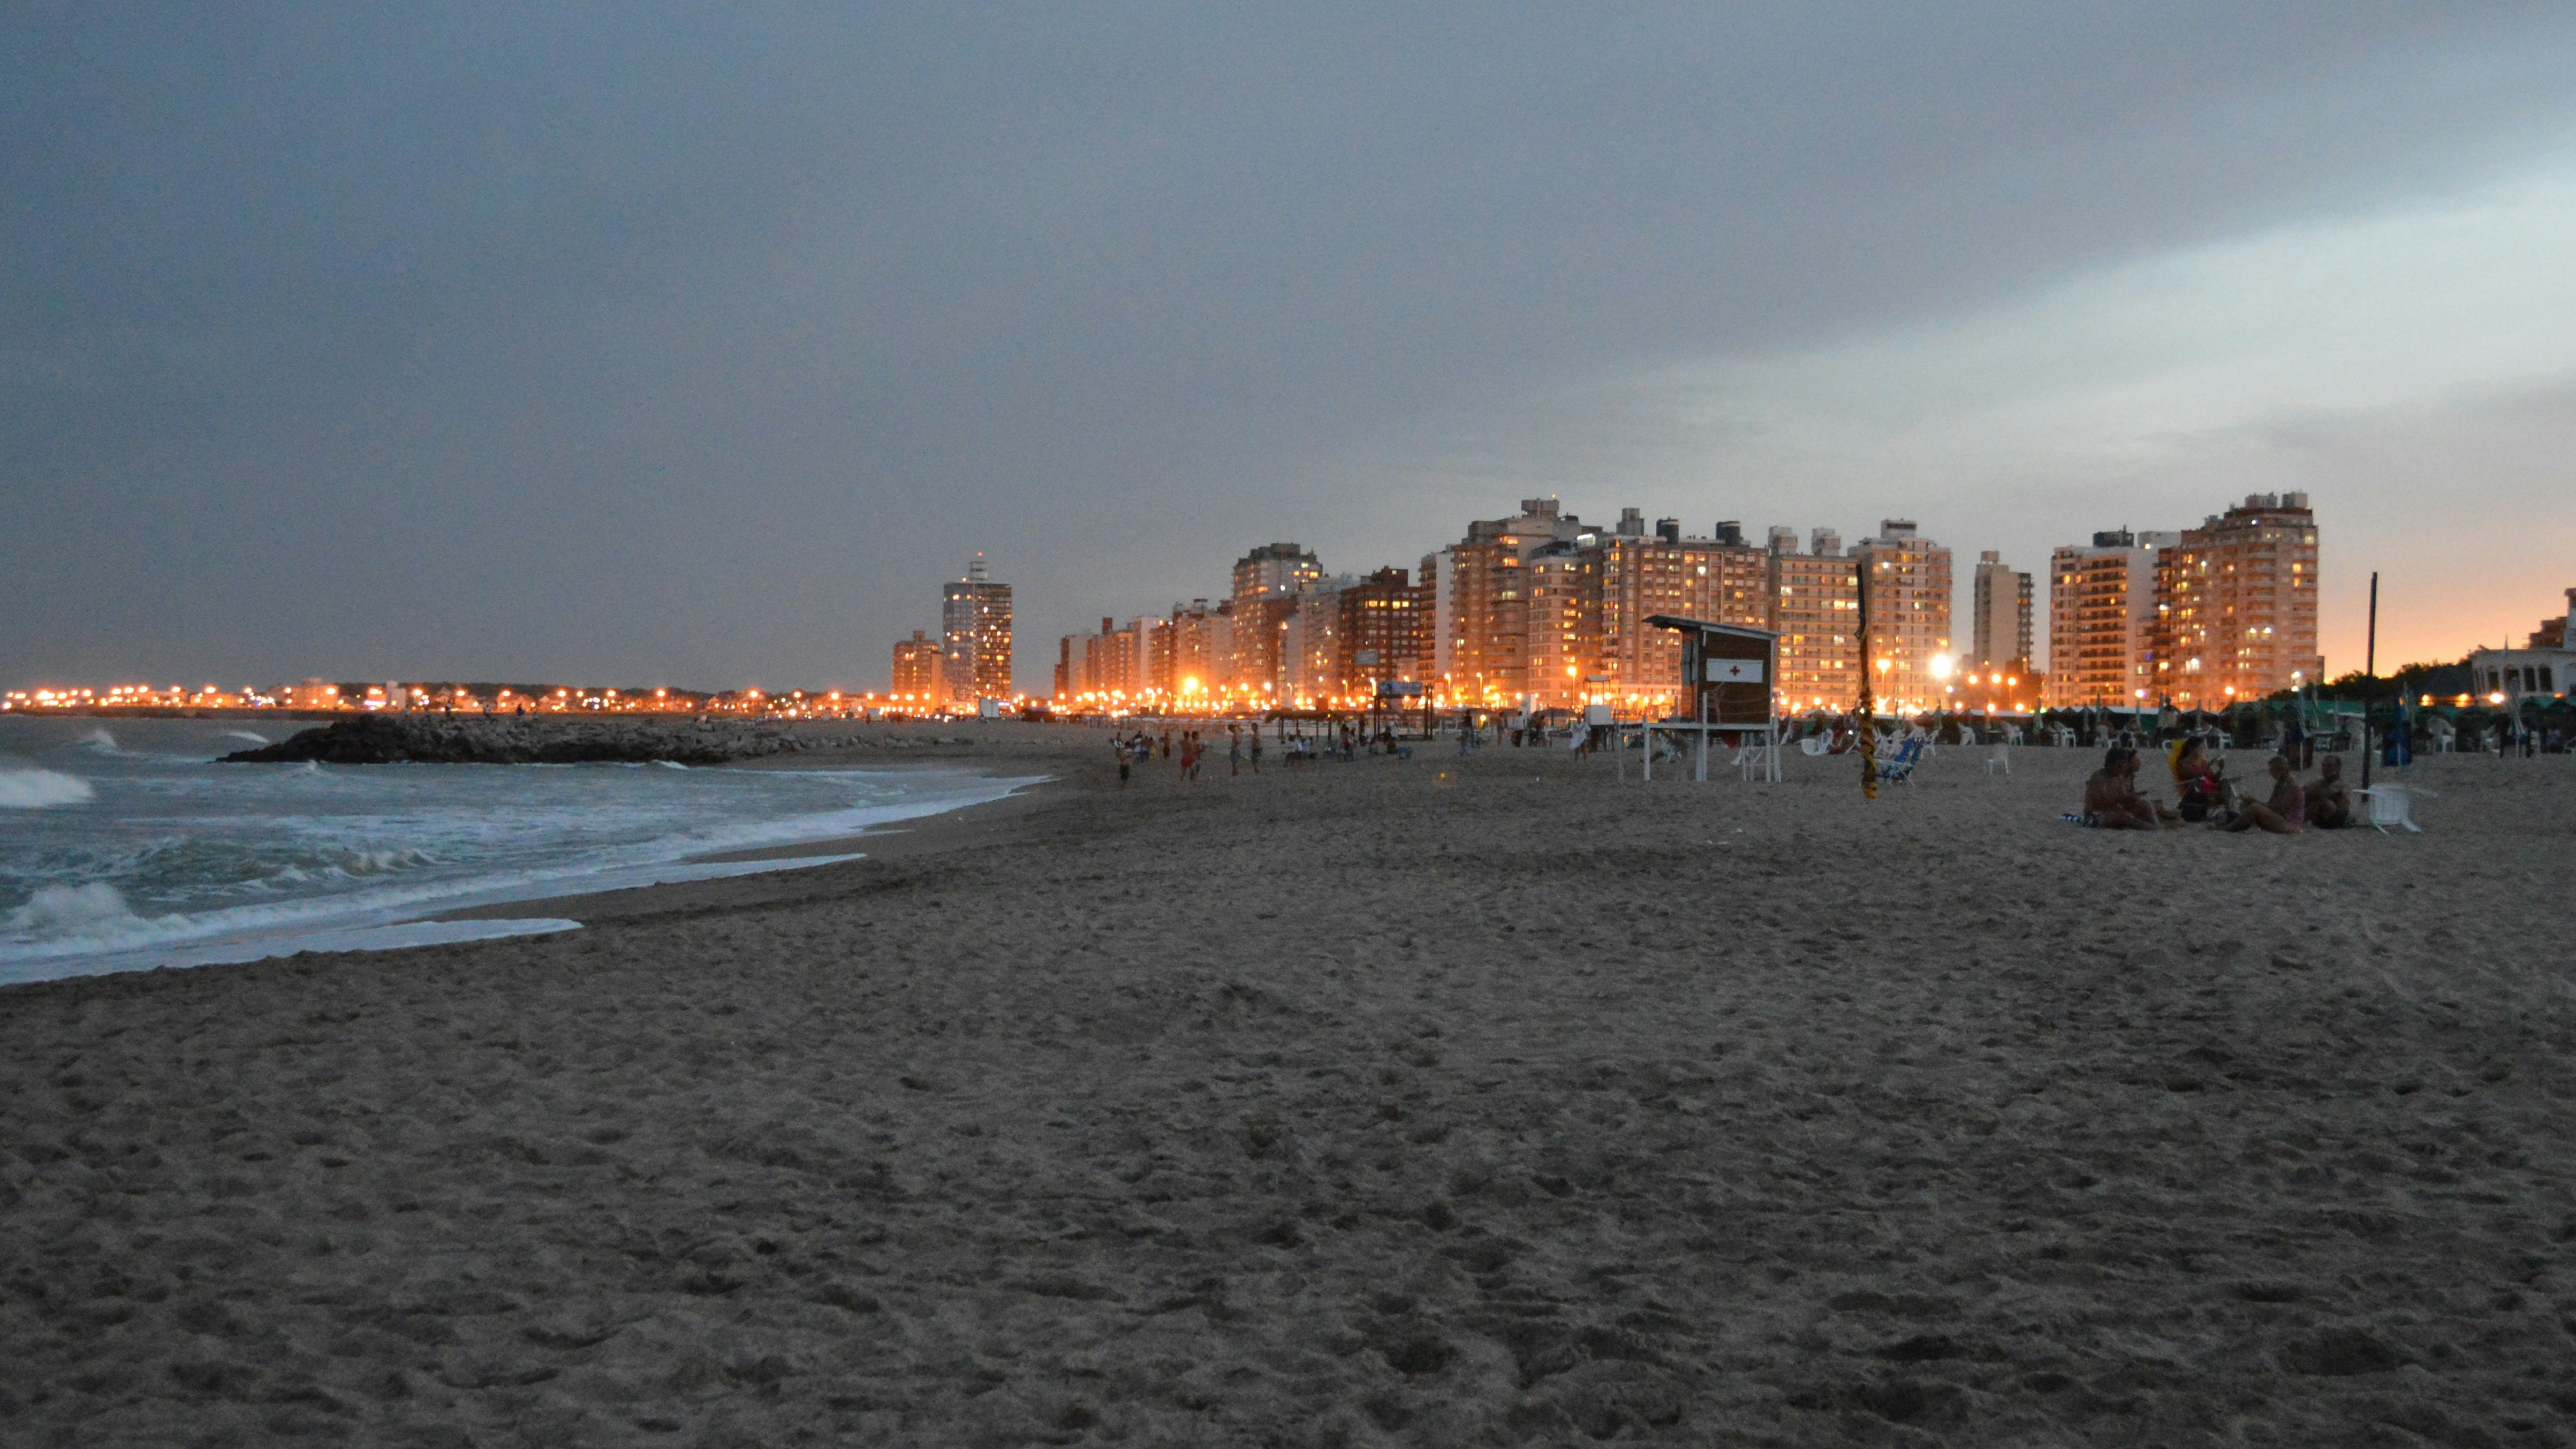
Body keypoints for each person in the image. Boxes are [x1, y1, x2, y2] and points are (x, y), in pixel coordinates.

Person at [2082, 746, 2166, 830]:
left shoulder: (2119, 777)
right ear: (2116, 765)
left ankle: (2155, 825)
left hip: (2115, 811)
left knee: (2146, 804)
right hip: (2095, 816)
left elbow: (2123, 799)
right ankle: (2153, 828)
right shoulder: (2099, 777)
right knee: (2123, 817)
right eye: (2123, 765)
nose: (2125, 768)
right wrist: (2124, 798)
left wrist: (2132, 798)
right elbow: (2103, 803)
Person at [2219, 755, 2306, 834]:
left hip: (2290, 825)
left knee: (2255, 807)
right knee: (2246, 805)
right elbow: (2271, 805)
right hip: (2281, 820)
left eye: (2272, 770)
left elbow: (2279, 810)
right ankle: (2246, 827)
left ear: (2280, 770)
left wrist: (2254, 801)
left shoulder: (2291, 787)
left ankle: (2227, 829)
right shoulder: (2280, 785)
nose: (2271, 773)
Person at [2169, 737, 2223, 823]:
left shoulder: (2202, 763)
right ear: (2191, 748)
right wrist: (2208, 765)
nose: (2202, 751)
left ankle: (2233, 814)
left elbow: (2214, 779)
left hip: (2209, 787)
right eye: (2200, 748)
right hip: (2193, 790)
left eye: (2203, 748)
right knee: (2223, 792)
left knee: (2225, 785)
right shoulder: (2183, 763)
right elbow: (2196, 776)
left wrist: (2220, 769)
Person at [2304, 754, 2352, 829]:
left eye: (2330, 766)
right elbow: (2304, 791)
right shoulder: (2322, 782)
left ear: (2338, 768)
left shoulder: (2339, 784)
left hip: (2338, 818)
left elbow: (2324, 794)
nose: (2325, 769)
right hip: (2323, 818)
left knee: (2324, 802)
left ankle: (2299, 820)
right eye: (2323, 766)